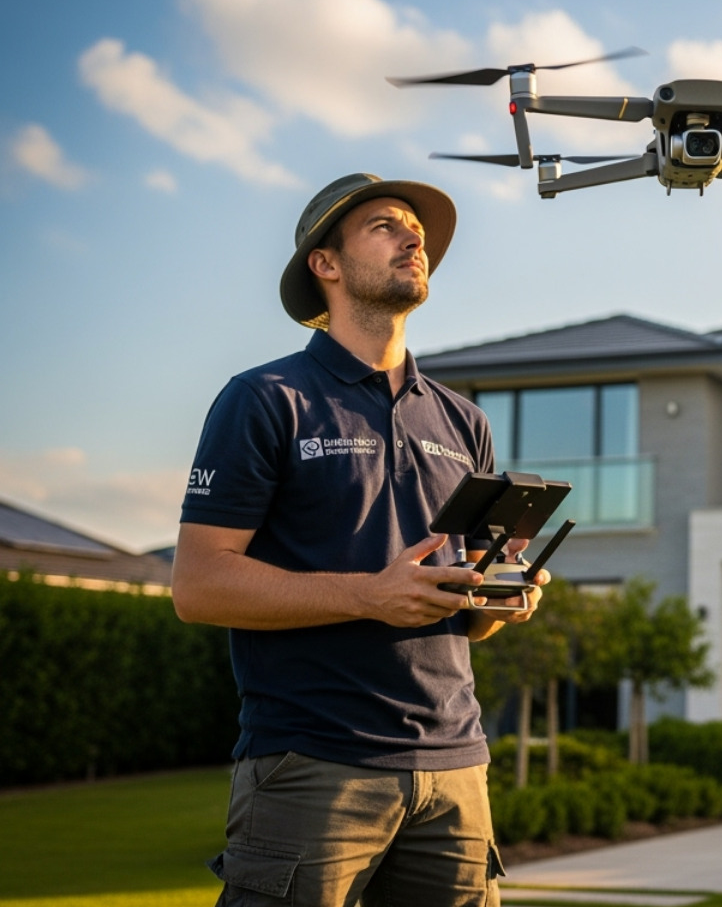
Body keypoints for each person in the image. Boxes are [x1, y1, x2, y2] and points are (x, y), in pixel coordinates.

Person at [172, 173, 545, 907]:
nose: (415, 240)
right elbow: (198, 586)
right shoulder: (266, 400)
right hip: (314, 762)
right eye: (385, 226)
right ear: (326, 264)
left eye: (418, 231)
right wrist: (370, 596)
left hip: (455, 769)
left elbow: (463, 618)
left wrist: (500, 596)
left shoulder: (462, 421)